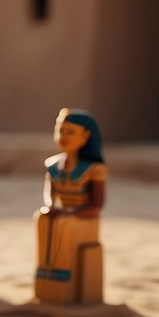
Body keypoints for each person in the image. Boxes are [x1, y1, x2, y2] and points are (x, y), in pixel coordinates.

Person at [35, 108, 106, 298]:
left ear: (85, 137)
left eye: (71, 132)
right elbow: (50, 192)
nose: (64, 136)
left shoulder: (94, 169)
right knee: (42, 218)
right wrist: (50, 206)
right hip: (63, 212)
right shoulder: (52, 165)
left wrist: (71, 212)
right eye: (61, 130)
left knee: (64, 223)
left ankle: (62, 271)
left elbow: (97, 205)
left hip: (83, 216)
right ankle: (45, 267)